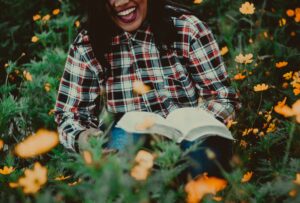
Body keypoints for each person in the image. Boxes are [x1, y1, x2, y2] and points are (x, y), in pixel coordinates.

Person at [54, 0, 241, 178]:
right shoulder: (87, 44)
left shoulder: (187, 28)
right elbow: (69, 114)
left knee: (203, 164)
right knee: (125, 167)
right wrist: (82, 136)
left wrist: (200, 122)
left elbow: (222, 96)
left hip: (189, 133)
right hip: (129, 134)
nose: (121, 3)